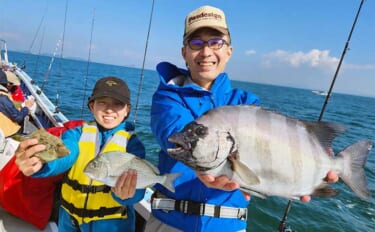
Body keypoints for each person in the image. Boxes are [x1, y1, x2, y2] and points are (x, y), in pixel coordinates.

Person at [144, 5, 339, 232]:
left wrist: (315, 154)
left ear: (229, 51)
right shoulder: (168, 96)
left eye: (216, 42)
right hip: (170, 223)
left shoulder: (247, 103)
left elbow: (272, 152)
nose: (206, 52)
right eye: (196, 43)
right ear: (184, 52)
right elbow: (174, 133)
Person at [15, 76, 146, 232]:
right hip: (69, 221)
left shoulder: (133, 145)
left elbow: (139, 184)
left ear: (127, 110)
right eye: (102, 102)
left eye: (117, 104)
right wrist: (43, 164)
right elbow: (66, 155)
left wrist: (127, 195)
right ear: (92, 106)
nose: (109, 109)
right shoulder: (76, 134)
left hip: (113, 226)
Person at [0, 69, 34, 136]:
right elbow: (18, 118)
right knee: (31, 131)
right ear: (7, 84)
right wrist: (26, 107)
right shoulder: (2, 98)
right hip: (6, 134)